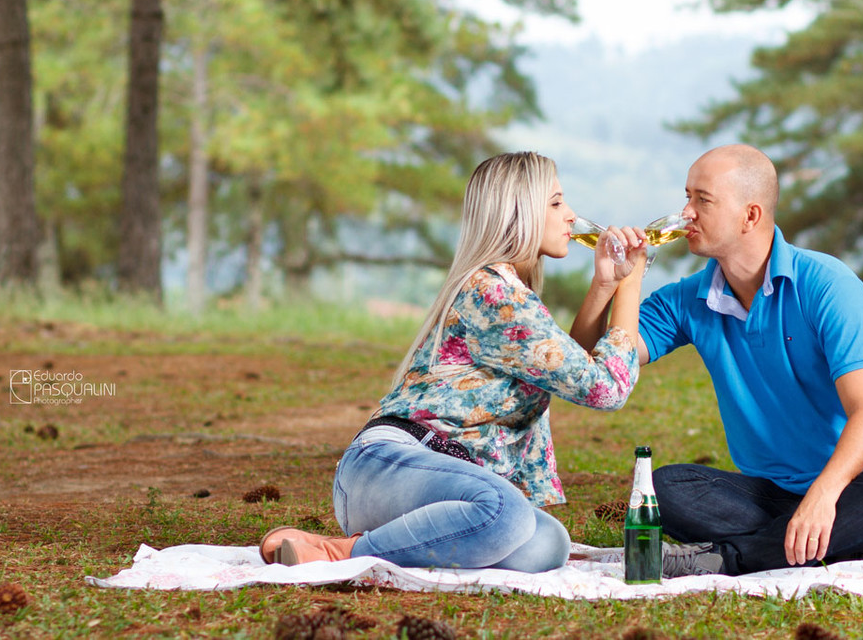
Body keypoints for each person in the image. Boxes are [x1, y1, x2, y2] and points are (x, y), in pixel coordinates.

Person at [260, 151, 648, 571]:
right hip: (390, 469)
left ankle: (390, 542)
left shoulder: (508, 291)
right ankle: (339, 552)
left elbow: (571, 368)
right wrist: (631, 284)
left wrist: (605, 283)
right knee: (507, 511)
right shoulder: (495, 294)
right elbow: (606, 388)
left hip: (441, 490)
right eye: (555, 202)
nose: (570, 215)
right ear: (517, 212)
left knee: (547, 543)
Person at [572, 144, 863, 576]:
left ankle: (730, 559)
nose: (686, 212)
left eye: (702, 200)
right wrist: (614, 283)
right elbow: (597, 365)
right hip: (772, 497)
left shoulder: (829, 286)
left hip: (856, 490)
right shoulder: (688, 300)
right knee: (665, 487)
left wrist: (822, 497)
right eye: (687, 196)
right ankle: (838, 550)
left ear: (751, 216)